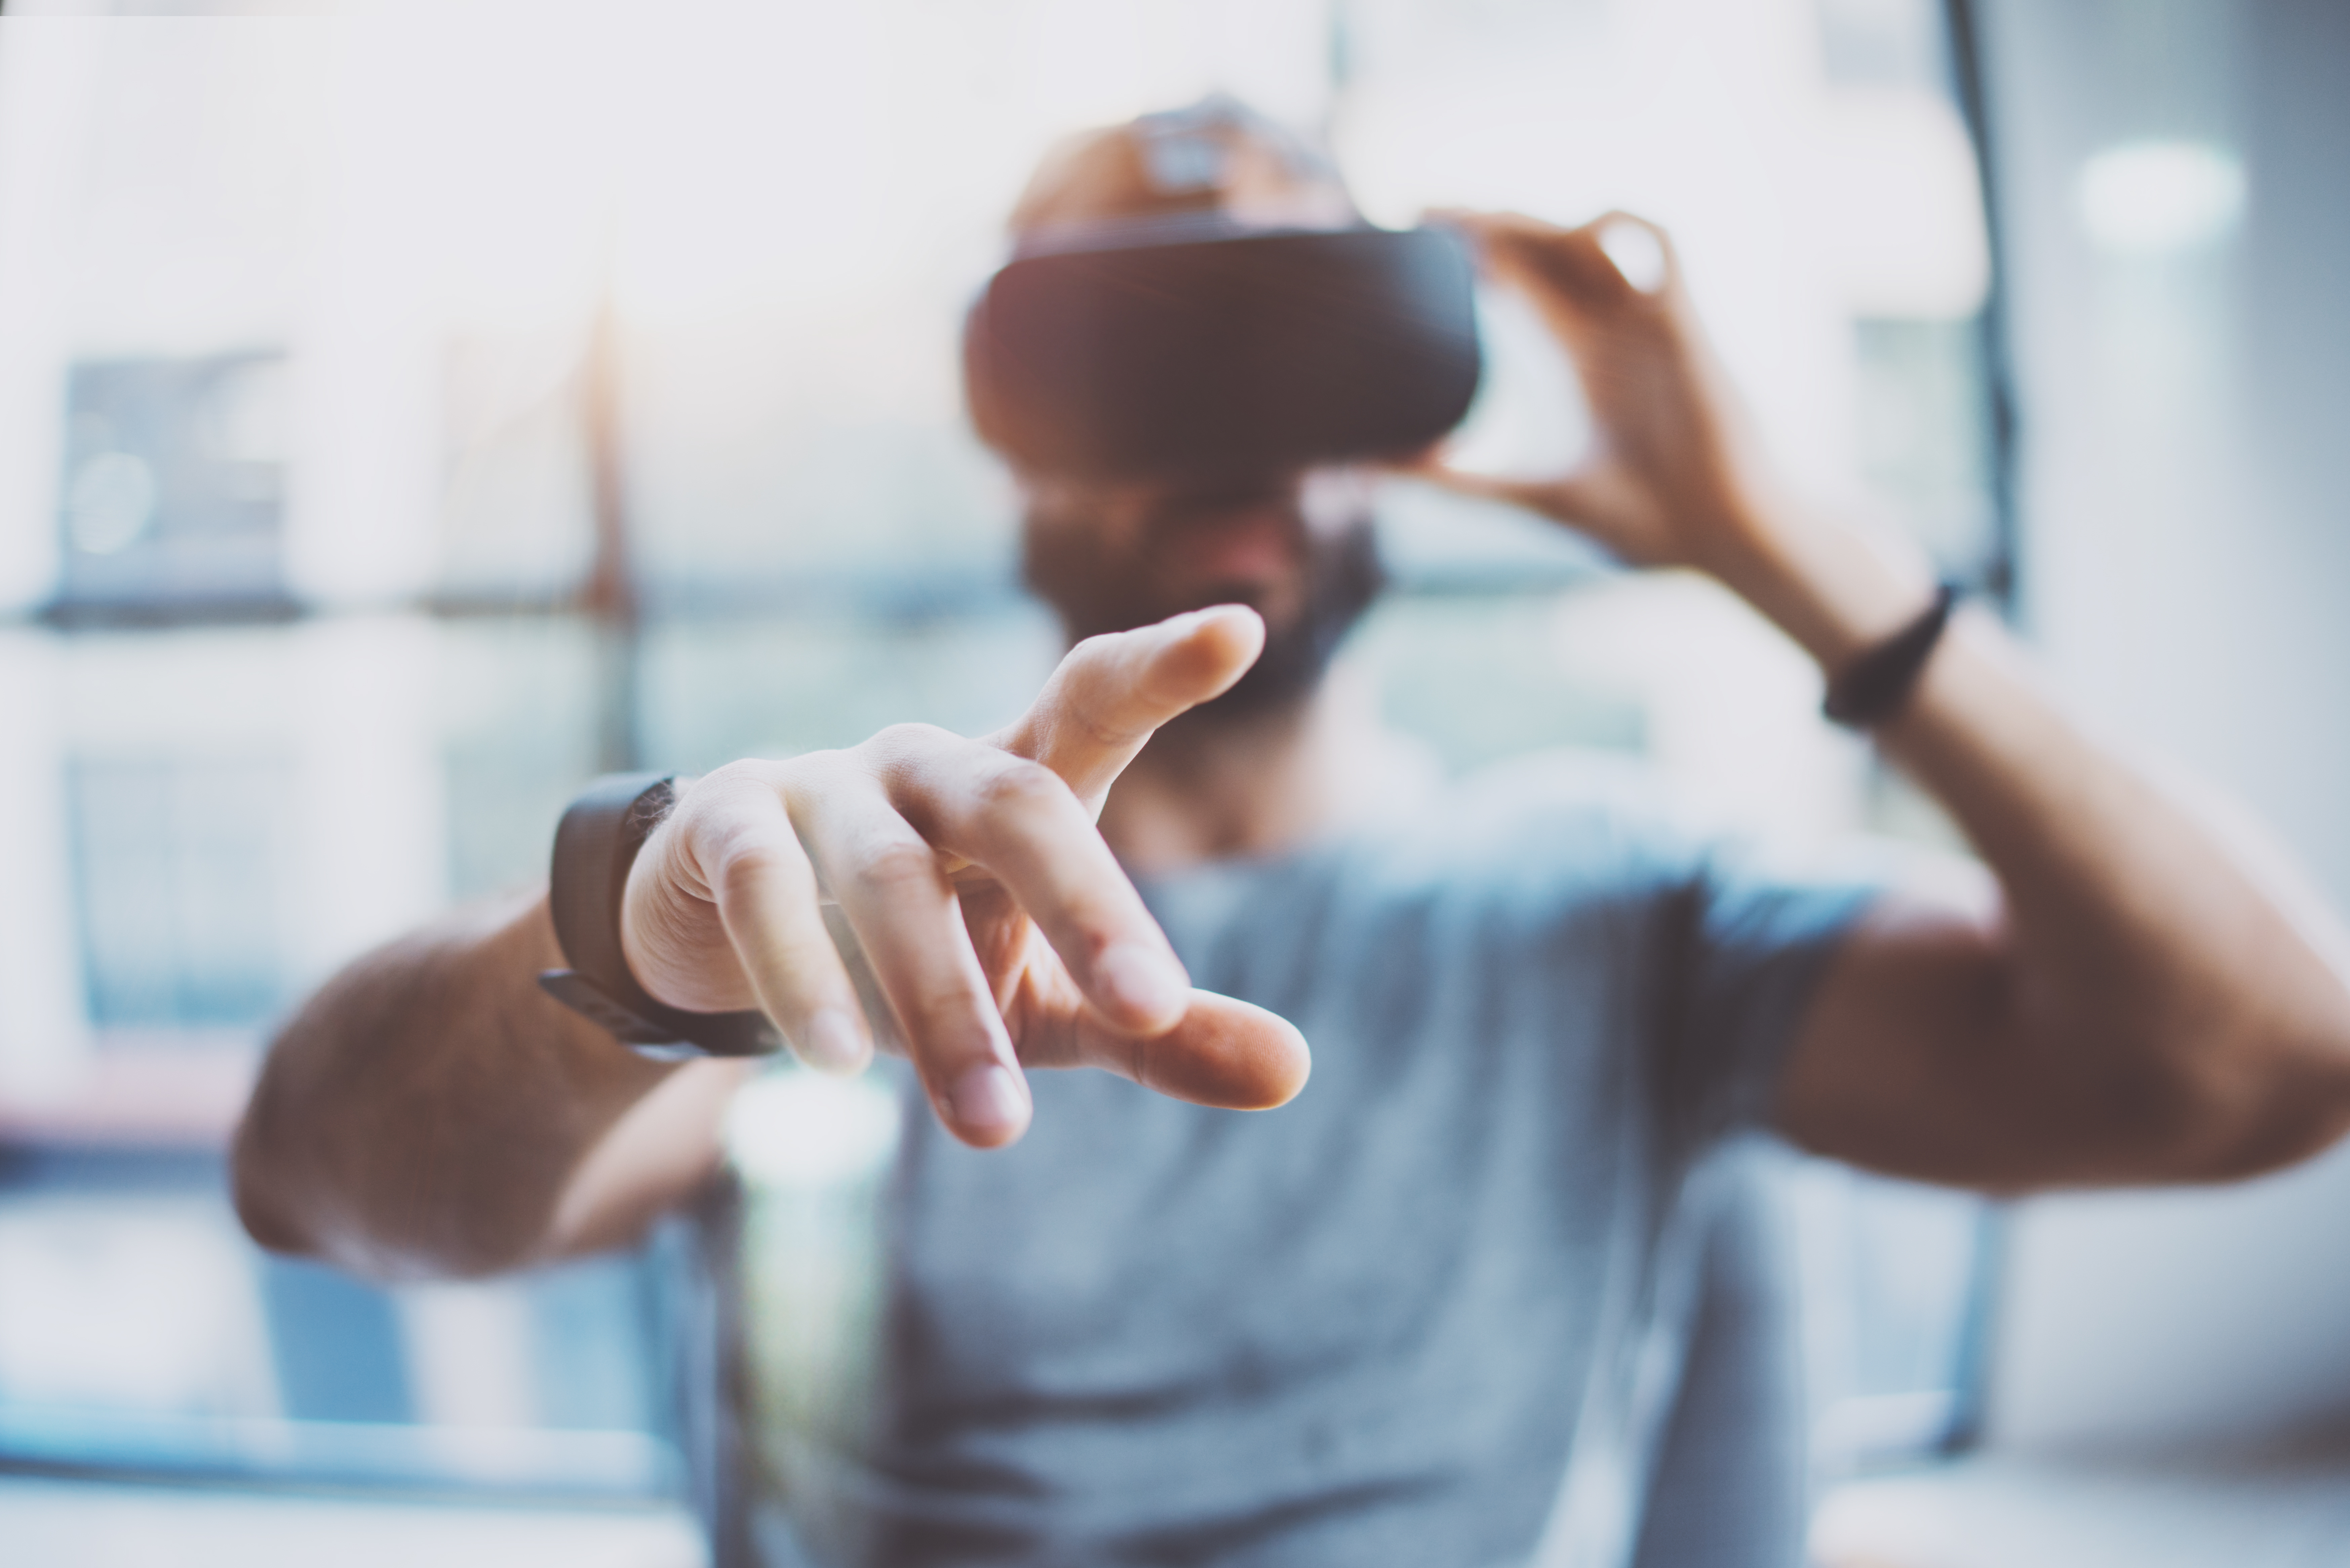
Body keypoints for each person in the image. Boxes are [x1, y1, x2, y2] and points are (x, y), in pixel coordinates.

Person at [233, 100, 2350, 1568]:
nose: (1229, 420)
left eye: (1291, 323)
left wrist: (1779, 542)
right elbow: (321, 1185)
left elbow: (2260, 1067)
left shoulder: (1617, 903)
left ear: (1397, 410)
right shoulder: (837, 902)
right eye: (1136, 343)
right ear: (1009, 428)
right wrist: (635, 948)